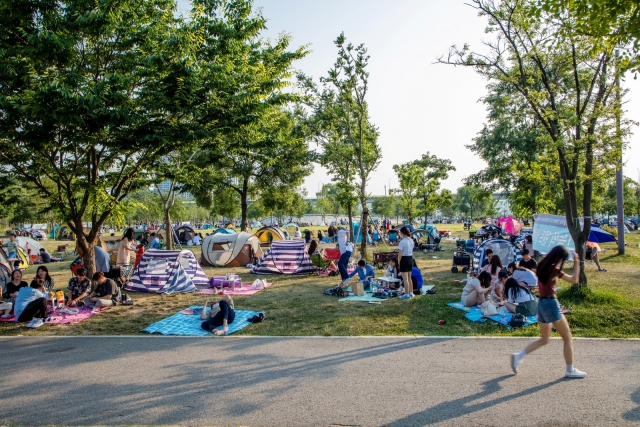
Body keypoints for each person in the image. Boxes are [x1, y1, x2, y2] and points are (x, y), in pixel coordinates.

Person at [510, 246, 586, 378]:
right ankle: (570, 369)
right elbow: (574, 280)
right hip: (551, 303)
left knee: (544, 339)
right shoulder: (554, 269)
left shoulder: (541, 265)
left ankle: (519, 356)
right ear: (560, 258)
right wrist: (577, 263)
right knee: (567, 338)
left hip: (541, 303)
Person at [397, 226, 415, 299]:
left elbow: (400, 254)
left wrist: (398, 262)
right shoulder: (411, 240)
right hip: (410, 259)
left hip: (404, 259)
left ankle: (407, 294)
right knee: (409, 278)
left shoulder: (402, 242)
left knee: (405, 279)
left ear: (402, 233)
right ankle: (411, 292)